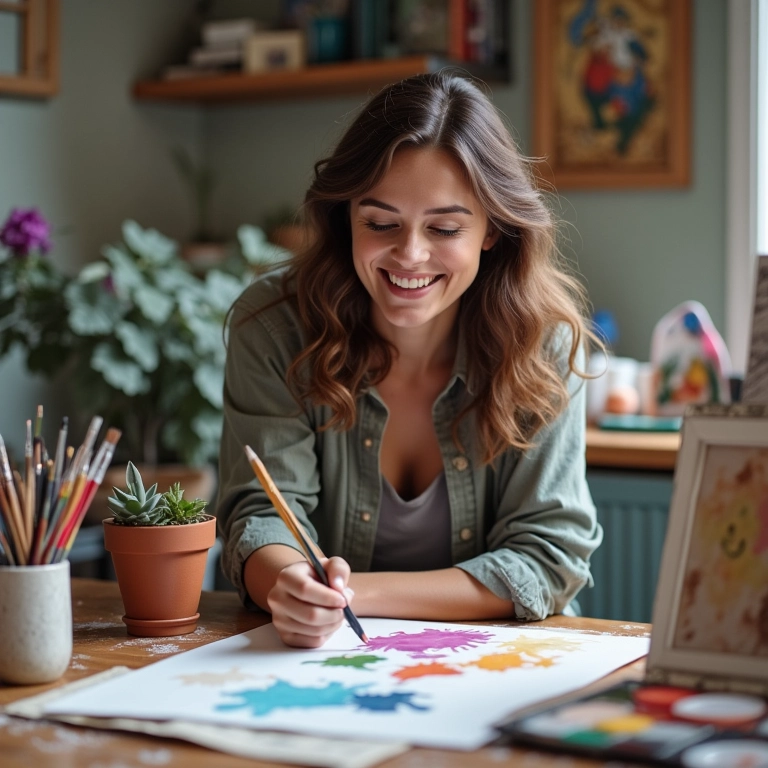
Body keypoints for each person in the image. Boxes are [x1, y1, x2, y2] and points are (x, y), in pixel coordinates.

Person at [216, 71, 603, 648]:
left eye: (444, 227)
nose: (410, 255)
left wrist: (353, 595)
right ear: (345, 214)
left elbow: (548, 557)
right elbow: (260, 512)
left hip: (505, 668)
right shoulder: (275, 325)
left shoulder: (542, 344)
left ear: (492, 229)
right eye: (380, 223)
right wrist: (289, 581)